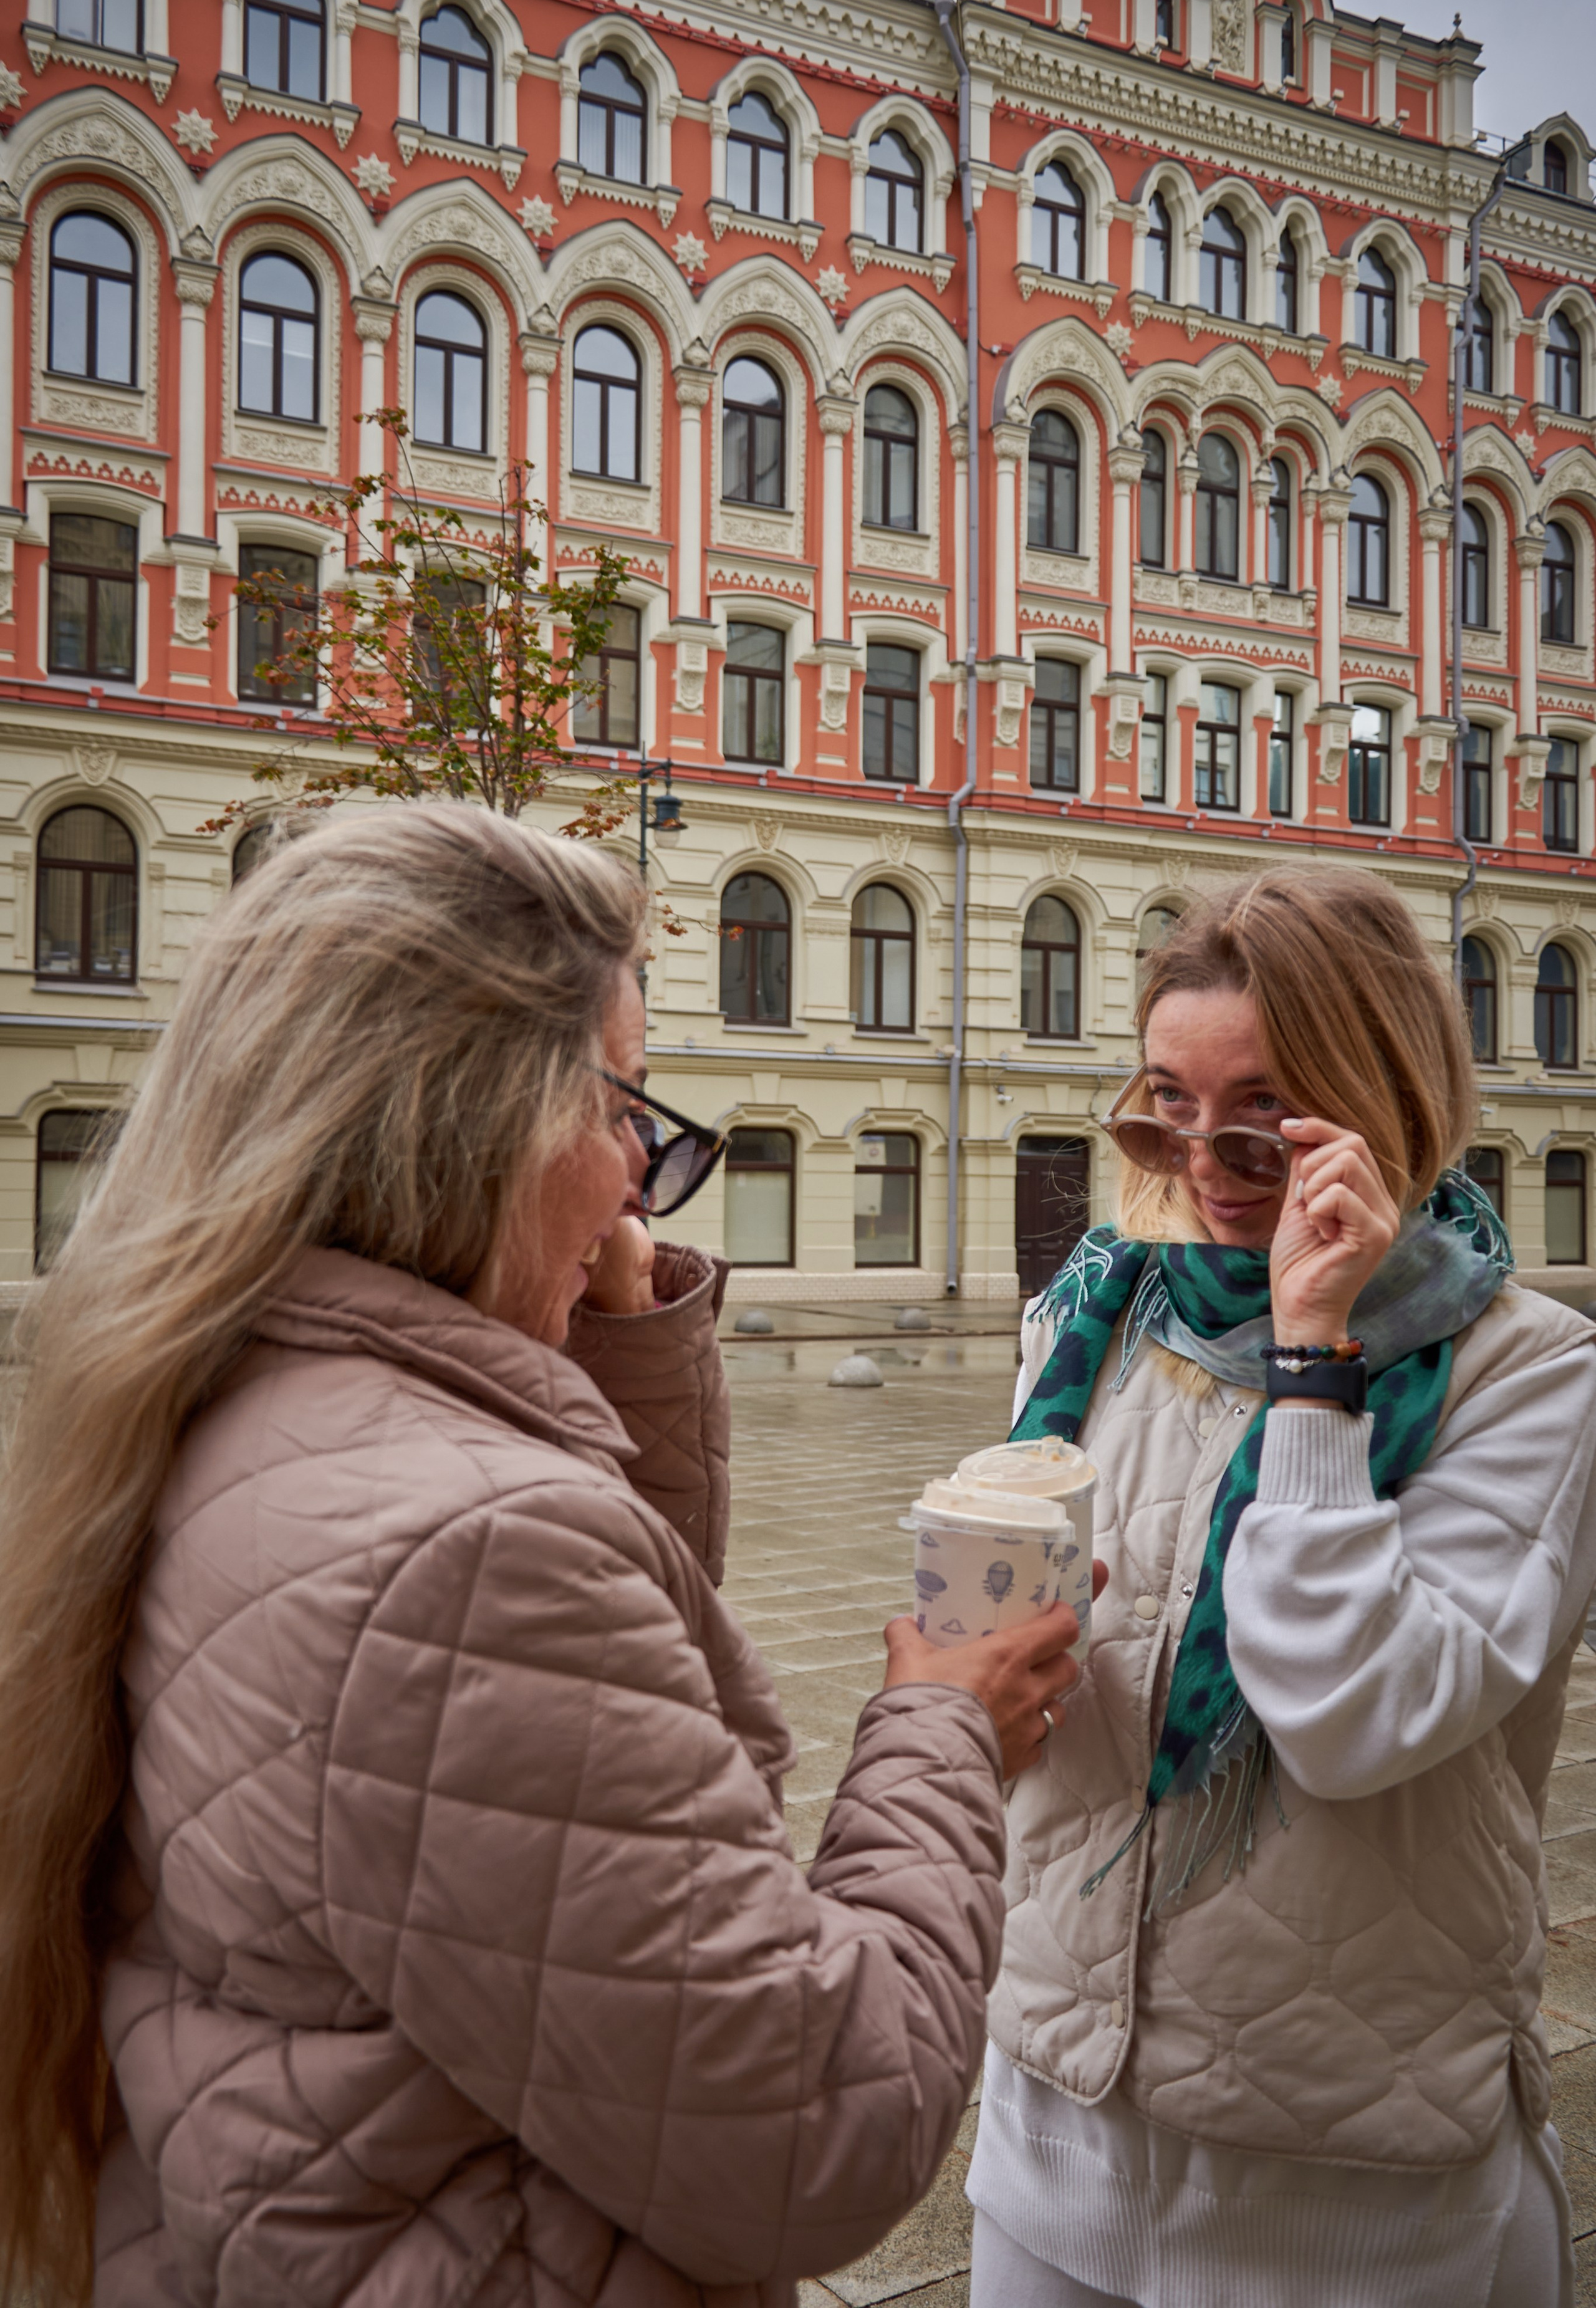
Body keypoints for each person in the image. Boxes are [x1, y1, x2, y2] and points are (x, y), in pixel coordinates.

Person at [0, 803, 1086, 2308]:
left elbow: (590, 1740)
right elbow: (815, 2125)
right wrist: (940, 1733)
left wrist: (612, 1346)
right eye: (621, 1107)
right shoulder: (471, 1554)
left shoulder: (228, 1392)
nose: (639, 1178)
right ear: (470, 1111)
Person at [966, 865, 1596, 2308]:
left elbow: (1352, 1717)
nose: (1200, 1163)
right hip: (1056, 2108)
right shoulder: (1088, 1319)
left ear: (1379, 1102)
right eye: (1162, 1110)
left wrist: (1314, 1364)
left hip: (1340, 2166)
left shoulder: (1527, 1370)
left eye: (1256, 1120)